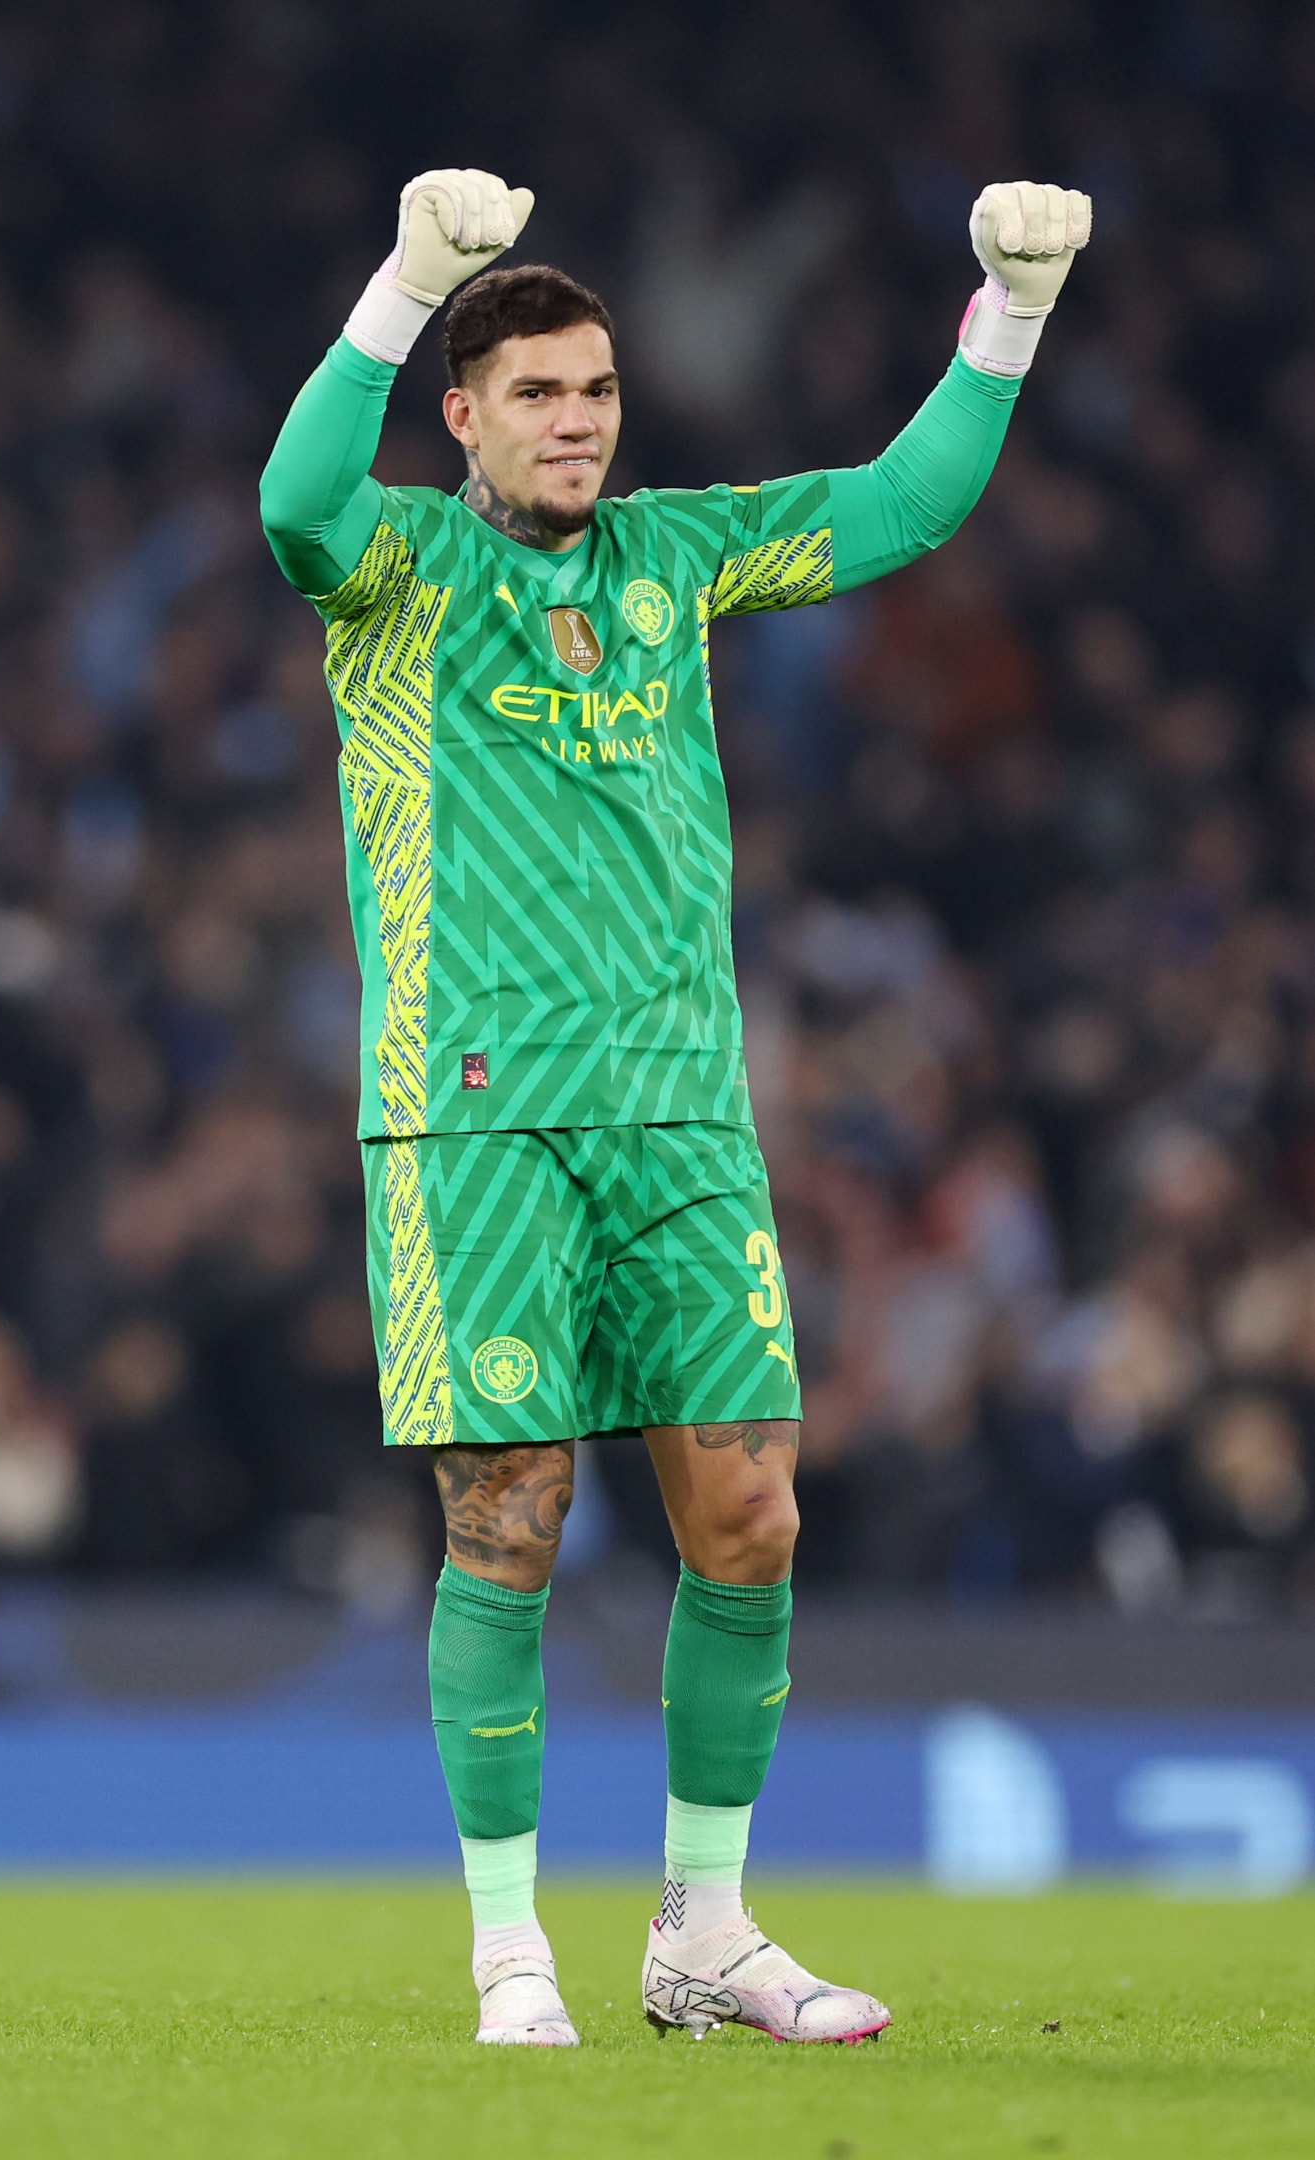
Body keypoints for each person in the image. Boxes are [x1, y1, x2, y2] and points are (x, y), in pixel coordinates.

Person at [260, 169, 1091, 2047]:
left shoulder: (675, 555)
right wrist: (400, 285)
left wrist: (1009, 318)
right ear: (462, 414)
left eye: (597, 391)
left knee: (750, 1520)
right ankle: (505, 1946)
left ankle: (701, 1931)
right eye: (538, 392)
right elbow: (290, 502)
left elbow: (897, 507)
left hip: (680, 1115)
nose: (577, 421)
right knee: (512, 1510)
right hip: (470, 1113)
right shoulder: (394, 569)